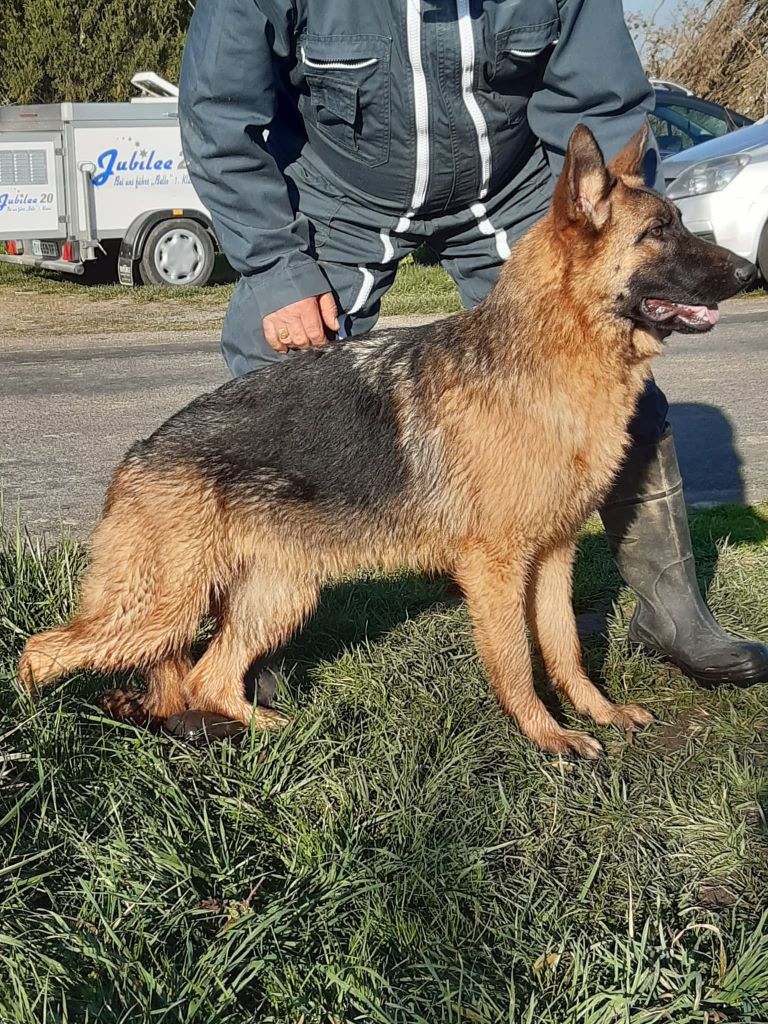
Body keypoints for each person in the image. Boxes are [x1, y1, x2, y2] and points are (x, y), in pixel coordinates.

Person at [178, 0, 768, 686]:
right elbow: (217, 111)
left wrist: (622, 246)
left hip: (511, 189)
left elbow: (604, 106)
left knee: (609, 367)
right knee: (273, 362)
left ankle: (671, 610)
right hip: (338, 194)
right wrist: (276, 265)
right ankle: (246, 643)